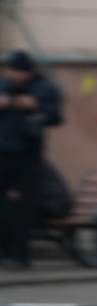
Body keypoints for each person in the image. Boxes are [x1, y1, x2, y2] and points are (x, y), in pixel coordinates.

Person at [0, 50, 63, 269]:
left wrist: (34, 105)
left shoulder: (43, 88)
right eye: (10, 71)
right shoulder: (4, 85)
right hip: (3, 151)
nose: (12, 76)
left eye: (17, 72)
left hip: (28, 154)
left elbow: (55, 116)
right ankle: (5, 252)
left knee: (21, 206)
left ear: (27, 72)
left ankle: (20, 256)